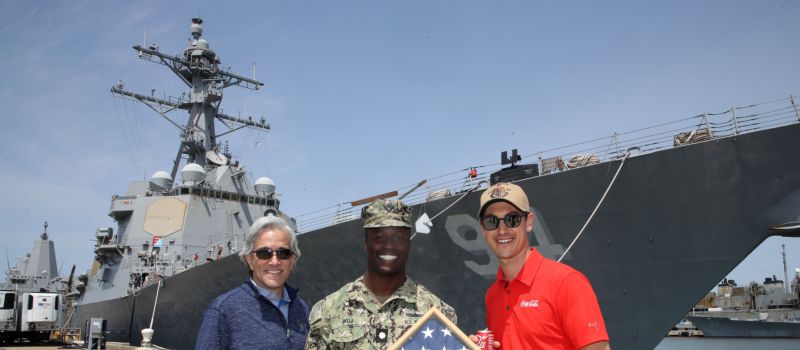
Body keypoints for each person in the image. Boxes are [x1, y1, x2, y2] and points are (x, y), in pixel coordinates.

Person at [472, 182, 610, 350]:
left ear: (528, 222)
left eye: (512, 219)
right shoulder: (493, 296)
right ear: (483, 229)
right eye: (491, 221)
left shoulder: (567, 284)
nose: (502, 230)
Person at [305, 199, 457, 349]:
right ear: (366, 243)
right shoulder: (328, 311)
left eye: (398, 238)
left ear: (409, 245)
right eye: (379, 238)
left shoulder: (439, 315)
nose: (389, 246)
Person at [195, 216, 309, 350]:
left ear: (293, 260)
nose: (275, 261)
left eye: (283, 253)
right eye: (264, 253)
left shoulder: (301, 308)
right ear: (250, 260)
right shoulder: (222, 311)